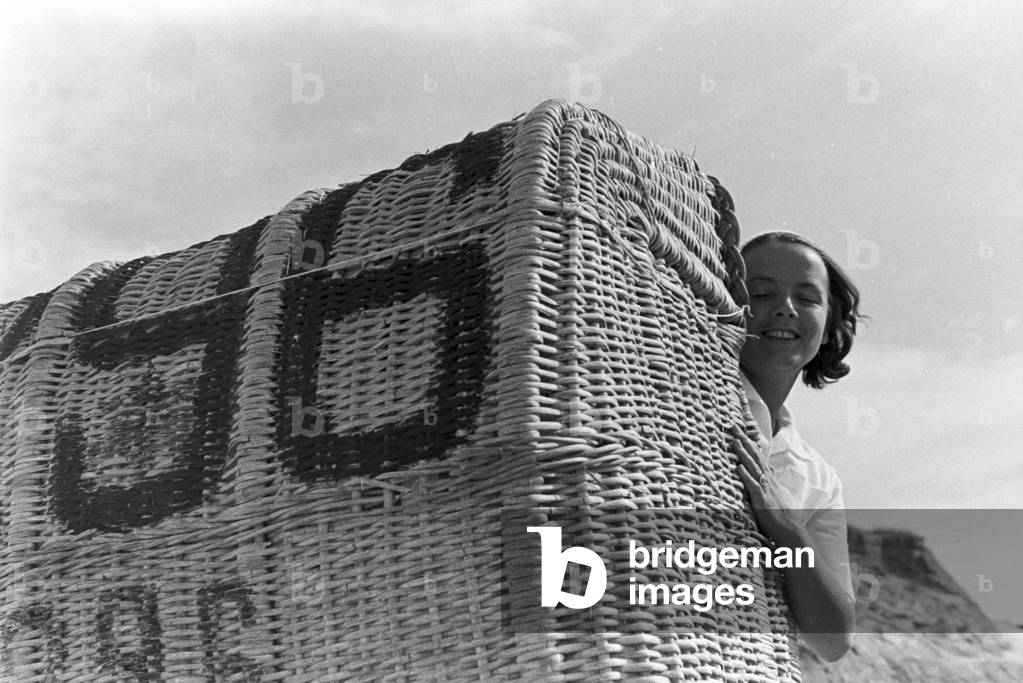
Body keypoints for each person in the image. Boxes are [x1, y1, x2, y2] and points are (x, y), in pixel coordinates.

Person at [730, 230, 864, 662]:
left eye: (807, 299)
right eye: (760, 293)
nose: (785, 308)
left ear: (827, 328)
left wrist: (789, 529)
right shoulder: (674, 390)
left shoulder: (817, 479)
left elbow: (833, 641)